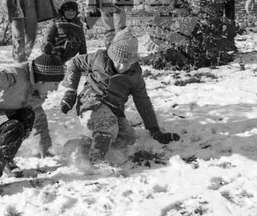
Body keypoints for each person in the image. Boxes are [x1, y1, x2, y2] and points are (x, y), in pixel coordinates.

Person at [59, 30, 179, 163]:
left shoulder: (135, 74)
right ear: (111, 56)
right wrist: (70, 90)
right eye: (118, 61)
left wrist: (154, 130)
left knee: (128, 137)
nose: (122, 66)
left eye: (126, 63)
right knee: (108, 124)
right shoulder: (98, 58)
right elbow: (75, 63)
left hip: (114, 109)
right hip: (91, 102)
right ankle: (96, 161)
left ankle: (83, 145)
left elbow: (142, 101)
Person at [0, 53, 66, 194]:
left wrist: (45, 147)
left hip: (0, 119)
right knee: (14, 127)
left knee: (27, 116)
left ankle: (4, 161)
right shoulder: (18, 76)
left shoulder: (36, 94)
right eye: (55, 83)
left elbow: (39, 120)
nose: (56, 89)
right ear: (42, 80)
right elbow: (3, 77)